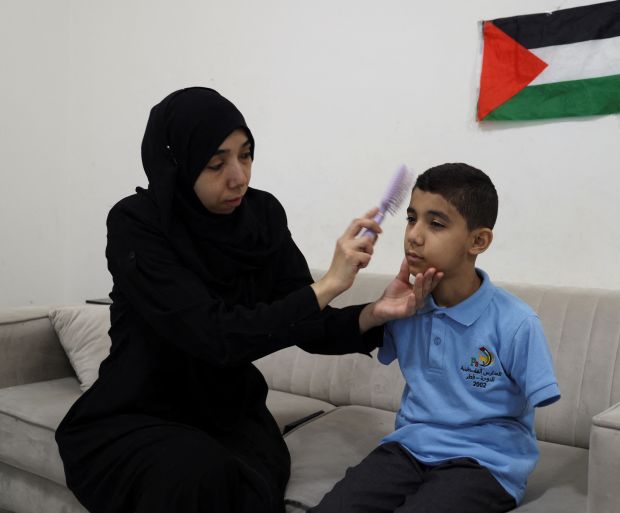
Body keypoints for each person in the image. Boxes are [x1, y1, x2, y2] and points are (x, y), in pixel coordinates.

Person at [54, 87, 440, 513]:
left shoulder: (263, 217)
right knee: (192, 474)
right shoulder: (136, 225)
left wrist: (373, 313)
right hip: (139, 412)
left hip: (229, 417)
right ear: (178, 164)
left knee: (235, 483)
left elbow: (306, 323)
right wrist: (327, 284)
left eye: (246, 154)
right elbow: (212, 335)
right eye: (216, 163)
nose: (238, 176)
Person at [309, 163, 561, 513]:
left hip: (485, 464)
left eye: (436, 223)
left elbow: (540, 395)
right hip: (408, 448)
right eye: (412, 219)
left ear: (478, 240)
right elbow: (319, 332)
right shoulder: (406, 309)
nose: (414, 235)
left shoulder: (517, 323)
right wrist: (379, 309)